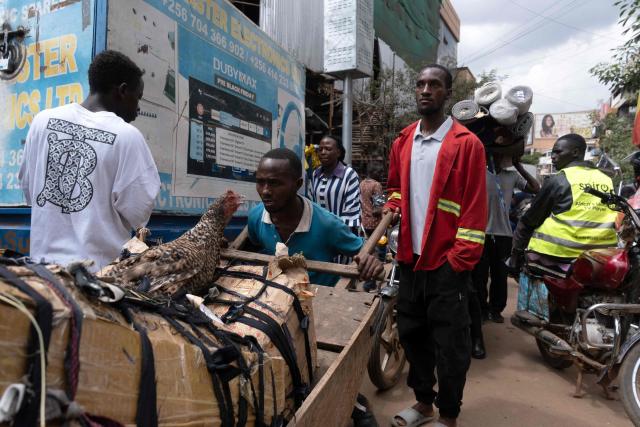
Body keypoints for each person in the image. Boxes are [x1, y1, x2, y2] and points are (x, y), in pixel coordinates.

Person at [247, 147, 383, 426]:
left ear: (297, 185)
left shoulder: (326, 223)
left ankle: (359, 409)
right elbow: (249, 249)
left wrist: (372, 263)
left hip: (320, 312)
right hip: (273, 307)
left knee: (326, 380)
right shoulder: (256, 217)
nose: (265, 191)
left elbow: (364, 253)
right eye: (260, 181)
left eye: (274, 183)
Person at [384, 64, 487, 427]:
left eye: (435, 85)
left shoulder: (467, 145)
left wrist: (458, 261)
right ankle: (424, 403)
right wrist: (392, 207)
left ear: (447, 94)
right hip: (411, 259)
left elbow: (475, 208)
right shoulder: (402, 141)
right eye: (420, 84)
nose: (425, 90)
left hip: (447, 263)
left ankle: (448, 414)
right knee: (413, 337)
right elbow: (395, 189)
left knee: (450, 345)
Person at [19, 50, 160, 271]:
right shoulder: (127, 136)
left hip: (44, 278)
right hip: (98, 282)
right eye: (137, 97)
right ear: (122, 91)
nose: (138, 108)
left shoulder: (42, 121)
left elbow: (30, 190)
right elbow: (138, 214)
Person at [509, 134, 618, 273]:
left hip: (559, 254)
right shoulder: (606, 179)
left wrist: (515, 255)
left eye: (558, 152)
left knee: (526, 228)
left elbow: (531, 219)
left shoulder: (560, 179)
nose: (553, 156)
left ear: (576, 152)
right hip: (600, 255)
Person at [475, 151, 540, 324]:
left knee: (500, 275)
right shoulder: (478, 172)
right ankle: (481, 309)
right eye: (493, 153)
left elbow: (535, 188)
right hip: (481, 233)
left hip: (504, 234)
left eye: (500, 155)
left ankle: (496, 310)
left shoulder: (512, 176)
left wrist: (518, 165)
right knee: (479, 276)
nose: (496, 157)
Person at [309, 135, 361, 232]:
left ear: (338, 152)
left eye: (328, 149)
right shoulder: (315, 175)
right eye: (320, 149)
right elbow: (312, 207)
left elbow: (351, 212)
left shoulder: (349, 175)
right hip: (319, 234)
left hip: (342, 236)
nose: (323, 152)